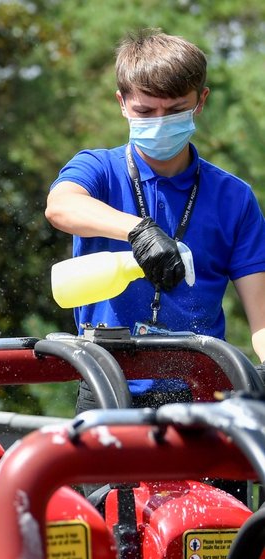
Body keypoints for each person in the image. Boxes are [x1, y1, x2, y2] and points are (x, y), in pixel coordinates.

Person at [45, 29, 265, 410]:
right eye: (146, 112)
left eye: (176, 109)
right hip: (106, 389)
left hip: (202, 394)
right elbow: (60, 206)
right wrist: (137, 230)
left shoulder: (234, 198)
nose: (161, 122)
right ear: (122, 103)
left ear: (201, 101)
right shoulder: (98, 168)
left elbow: (261, 318)